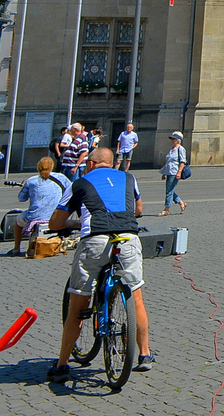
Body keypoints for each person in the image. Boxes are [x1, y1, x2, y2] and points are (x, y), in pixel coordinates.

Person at [46, 146, 154, 381]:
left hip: (95, 239)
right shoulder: (129, 177)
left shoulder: (79, 183)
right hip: (128, 238)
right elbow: (138, 209)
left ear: (91, 164)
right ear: (112, 163)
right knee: (135, 297)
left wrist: (76, 224)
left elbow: (55, 222)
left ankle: (62, 364)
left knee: (78, 304)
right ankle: (145, 354)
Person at [13, 156, 71, 255]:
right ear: (52, 166)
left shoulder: (31, 180)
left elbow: (21, 198)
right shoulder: (61, 177)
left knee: (18, 221)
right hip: (56, 215)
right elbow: (71, 191)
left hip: (35, 216)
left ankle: (16, 248)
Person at [160, 131, 188, 215]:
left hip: (175, 172)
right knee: (170, 190)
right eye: (172, 139)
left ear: (178, 140)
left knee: (169, 191)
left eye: (174, 139)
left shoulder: (181, 149)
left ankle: (166, 209)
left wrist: (179, 172)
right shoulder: (171, 149)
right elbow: (168, 162)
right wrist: (164, 173)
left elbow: (183, 161)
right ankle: (181, 203)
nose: (172, 140)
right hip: (169, 171)